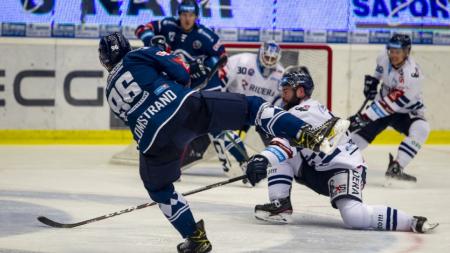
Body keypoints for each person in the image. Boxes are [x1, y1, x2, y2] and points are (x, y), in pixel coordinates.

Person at [99, 32, 349, 253]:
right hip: (184, 109)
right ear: (126, 47)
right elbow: (182, 73)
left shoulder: (109, 91)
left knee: (159, 189)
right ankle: (310, 135)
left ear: (104, 61)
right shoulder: (139, 54)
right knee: (252, 107)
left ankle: (194, 238)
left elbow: (136, 114)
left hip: (152, 140)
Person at [245, 67, 438, 234]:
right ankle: (280, 206)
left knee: (355, 216)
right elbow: (287, 144)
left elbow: (284, 141)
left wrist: (262, 159)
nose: (283, 95)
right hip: (317, 168)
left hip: (345, 168)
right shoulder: (300, 110)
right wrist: (266, 158)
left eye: (286, 90)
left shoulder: (304, 111)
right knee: (282, 156)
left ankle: (411, 222)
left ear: (300, 91)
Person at [348, 34, 429, 183]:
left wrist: (364, 117)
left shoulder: (412, 75)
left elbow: (392, 105)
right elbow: (378, 73)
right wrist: (373, 83)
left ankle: (396, 167)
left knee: (421, 129)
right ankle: (342, 158)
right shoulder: (383, 57)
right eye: (391, 50)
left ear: (407, 52)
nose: (393, 55)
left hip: (406, 111)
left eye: (398, 52)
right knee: (363, 134)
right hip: (383, 104)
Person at [216, 40, 284, 169]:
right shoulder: (242, 61)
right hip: (234, 105)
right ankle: (244, 162)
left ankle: (278, 161)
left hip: (258, 112)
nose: (269, 61)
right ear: (260, 53)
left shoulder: (280, 74)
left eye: (272, 58)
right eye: (267, 57)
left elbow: (279, 102)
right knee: (227, 134)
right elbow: (221, 79)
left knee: (274, 134)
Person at [134, 0, 225, 91]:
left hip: (199, 84)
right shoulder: (167, 24)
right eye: (184, 14)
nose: (187, 19)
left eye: (191, 15)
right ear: (179, 14)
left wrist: (203, 66)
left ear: (196, 17)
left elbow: (222, 57)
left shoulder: (207, 36)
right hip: (172, 80)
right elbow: (142, 29)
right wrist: (152, 41)